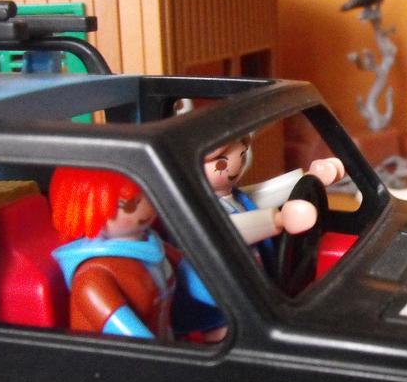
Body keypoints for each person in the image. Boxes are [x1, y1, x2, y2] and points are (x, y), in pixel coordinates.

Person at [50, 167, 216, 340]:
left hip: (166, 340)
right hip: (121, 356)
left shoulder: (154, 247)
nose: (148, 205)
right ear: (90, 209)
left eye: (149, 193)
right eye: (130, 205)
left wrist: (229, 304)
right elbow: (132, 337)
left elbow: (201, 284)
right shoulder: (92, 278)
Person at [202, 136, 344, 271]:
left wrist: (312, 176)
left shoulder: (238, 197)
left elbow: (265, 193)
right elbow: (229, 230)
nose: (237, 165)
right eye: (221, 165)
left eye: (243, 156)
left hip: (258, 267)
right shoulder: (204, 213)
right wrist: (279, 219)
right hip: (225, 278)